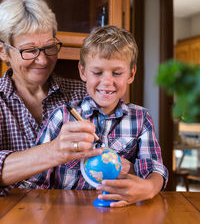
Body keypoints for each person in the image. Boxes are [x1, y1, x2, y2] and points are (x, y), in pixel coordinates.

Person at [33, 25, 168, 207]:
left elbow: (154, 168)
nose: (107, 82)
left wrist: (150, 188)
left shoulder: (141, 118)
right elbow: (36, 179)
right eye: (97, 72)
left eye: (117, 73)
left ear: (131, 74)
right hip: (66, 212)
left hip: (121, 213)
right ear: (83, 72)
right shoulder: (62, 117)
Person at [0, 0, 102, 196]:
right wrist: (54, 151)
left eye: (49, 48)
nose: (42, 60)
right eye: (30, 50)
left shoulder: (82, 93)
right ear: (4, 52)